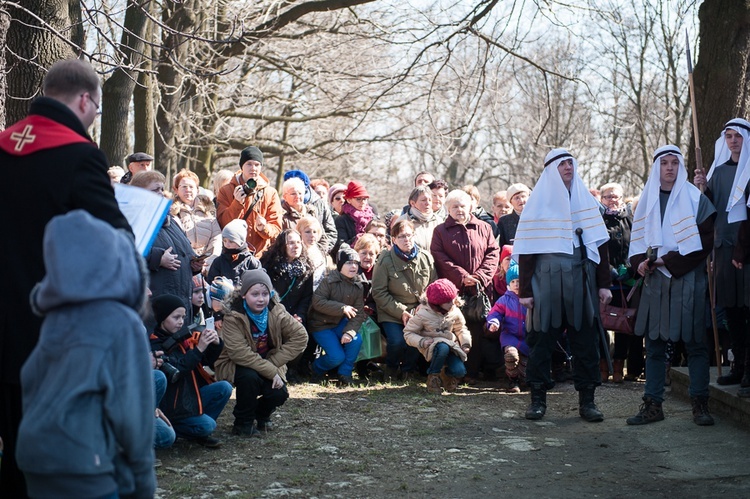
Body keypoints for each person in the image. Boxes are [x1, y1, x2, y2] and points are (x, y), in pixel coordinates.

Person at [0, 57, 132, 496]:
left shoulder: (3, 145)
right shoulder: (79, 156)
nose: (95, 117)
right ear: (83, 99)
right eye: (96, 107)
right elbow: (116, 242)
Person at [16, 210, 153, 498]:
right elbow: (133, 413)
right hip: (81, 463)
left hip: (35, 456)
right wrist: (143, 481)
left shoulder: (56, 317)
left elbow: (30, 380)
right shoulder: (121, 322)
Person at [514, 148, 612, 422]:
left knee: (585, 342)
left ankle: (588, 401)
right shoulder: (537, 205)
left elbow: (600, 247)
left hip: (582, 279)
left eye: (571, 162)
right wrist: (526, 291)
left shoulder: (587, 203)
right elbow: (527, 251)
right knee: (542, 342)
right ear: (551, 170)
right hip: (546, 280)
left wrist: (603, 284)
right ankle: (537, 400)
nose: (568, 167)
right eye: (562, 164)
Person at [625, 146, 716, 426]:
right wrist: (640, 262)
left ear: (680, 167)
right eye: (664, 163)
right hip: (655, 282)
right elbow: (637, 241)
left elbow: (705, 240)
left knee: (696, 344)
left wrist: (669, 260)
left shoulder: (694, 198)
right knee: (654, 345)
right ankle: (653, 405)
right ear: (656, 167)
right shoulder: (646, 200)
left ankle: (700, 404)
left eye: (674, 163)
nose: (669, 168)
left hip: (687, 279)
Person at [215, 269, 308, 436]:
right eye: (255, 294)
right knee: (249, 378)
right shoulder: (233, 316)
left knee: (278, 393)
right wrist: (270, 371)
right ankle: (242, 423)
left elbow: (300, 336)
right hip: (237, 363)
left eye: (265, 293)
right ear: (244, 295)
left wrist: (273, 364)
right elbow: (238, 352)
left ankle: (261, 414)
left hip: (268, 361)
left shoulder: (276, 310)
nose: (261, 299)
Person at [694, 118, 750, 387]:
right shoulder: (719, 171)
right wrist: (701, 188)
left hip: (747, 250)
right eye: (728, 136)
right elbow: (709, 210)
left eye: (737, 136)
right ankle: (738, 366)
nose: (733, 141)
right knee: (732, 311)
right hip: (723, 250)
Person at [431, 189, 500, 384]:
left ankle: (473, 372)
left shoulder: (484, 228)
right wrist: (462, 277)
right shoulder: (441, 231)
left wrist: (479, 277)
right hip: (454, 290)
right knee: (457, 329)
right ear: (448, 209)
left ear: (470, 206)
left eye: (463, 206)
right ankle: (454, 372)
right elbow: (439, 256)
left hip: (480, 290)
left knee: (478, 331)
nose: (459, 210)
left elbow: (493, 253)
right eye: (454, 206)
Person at [149, 294, 233, 447]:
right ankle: (185, 429)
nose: (181, 321)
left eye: (183, 317)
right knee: (207, 425)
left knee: (224, 388)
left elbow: (206, 362)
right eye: (176, 317)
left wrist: (215, 344)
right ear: (162, 318)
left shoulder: (182, 337)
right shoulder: (155, 344)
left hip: (188, 397)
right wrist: (199, 348)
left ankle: (199, 433)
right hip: (172, 405)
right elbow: (176, 372)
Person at [372, 220, 436, 380]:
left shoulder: (425, 258)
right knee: (397, 341)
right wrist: (402, 312)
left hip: (418, 310)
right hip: (392, 311)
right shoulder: (385, 260)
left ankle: (408, 370)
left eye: (409, 235)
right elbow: (379, 292)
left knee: (416, 338)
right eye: (401, 236)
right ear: (393, 239)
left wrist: (423, 307)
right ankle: (391, 369)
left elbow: (433, 287)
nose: (406, 239)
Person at [132, 171, 199, 315]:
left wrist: (194, 263)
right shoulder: (134, 221)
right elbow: (128, 253)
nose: (161, 193)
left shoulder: (170, 220)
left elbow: (184, 250)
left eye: (162, 189)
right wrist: (158, 258)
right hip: (156, 306)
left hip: (180, 302)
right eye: (155, 189)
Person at [600, 182, 641, 383]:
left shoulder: (631, 219)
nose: (612, 200)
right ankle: (603, 363)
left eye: (615, 196)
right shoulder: (598, 220)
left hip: (627, 280)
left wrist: (629, 268)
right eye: (608, 196)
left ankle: (618, 365)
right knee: (602, 322)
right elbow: (596, 250)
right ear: (602, 199)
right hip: (605, 280)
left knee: (624, 322)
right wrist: (609, 271)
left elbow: (637, 245)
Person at [307, 245, 366, 385]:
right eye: (349, 263)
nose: (353, 266)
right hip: (321, 325)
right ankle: (316, 368)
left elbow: (358, 314)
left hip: (338, 324)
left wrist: (350, 332)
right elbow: (318, 302)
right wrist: (341, 308)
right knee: (336, 356)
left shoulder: (358, 285)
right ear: (340, 265)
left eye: (356, 263)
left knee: (355, 340)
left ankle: (344, 374)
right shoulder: (329, 281)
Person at [403, 279, 471, 394]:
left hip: (450, 345)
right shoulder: (423, 313)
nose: (451, 303)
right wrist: (421, 341)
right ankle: (433, 376)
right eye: (447, 302)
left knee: (460, 371)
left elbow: (461, 328)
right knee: (442, 347)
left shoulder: (455, 311)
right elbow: (408, 333)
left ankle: (446, 374)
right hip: (432, 345)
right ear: (437, 304)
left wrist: (465, 343)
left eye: (452, 300)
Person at [217, 146, 282, 258]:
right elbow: (223, 224)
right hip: (233, 255)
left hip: (260, 256)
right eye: (249, 164)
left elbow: (276, 229)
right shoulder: (226, 190)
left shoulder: (270, 193)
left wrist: (264, 228)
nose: (253, 168)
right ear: (242, 166)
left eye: (257, 164)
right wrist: (236, 203)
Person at [486, 262, 528, 393]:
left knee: (525, 365)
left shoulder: (530, 299)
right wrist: (494, 323)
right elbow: (495, 313)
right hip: (510, 335)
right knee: (511, 356)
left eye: (519, 281)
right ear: (509, 284)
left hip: (528, 336)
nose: (516, 284)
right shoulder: (504, 300)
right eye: (513, 281)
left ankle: (523, 378)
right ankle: (513, 380)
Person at [172, 168, 222, 271]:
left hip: (207, 265)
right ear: (176, 190)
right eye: (184, 186)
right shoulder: (172, 213)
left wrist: (210, 259)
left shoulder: (208, 211)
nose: (188, 190)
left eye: (191, 186)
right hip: (182, 265)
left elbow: (216, 237)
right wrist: (190, 260)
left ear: (197, 190)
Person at [261, 229, 314, 325]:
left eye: (298, 242)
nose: (296, 246)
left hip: (294, 319)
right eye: (291, 243)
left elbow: (306, 297)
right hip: (271, 317)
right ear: (282, 245)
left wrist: (300, 315)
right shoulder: (269, 265)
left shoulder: (307, 268)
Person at [284, 170, 338, 253]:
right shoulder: (281, 215)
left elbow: (323, 238)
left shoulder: (311, 212)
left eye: (300, 193)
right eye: (293, 194)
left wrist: (317, 253)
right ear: (285, 196)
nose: (297, 196)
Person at [206, 219, 262, 286]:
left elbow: (258, 285)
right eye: (224, 241)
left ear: (241, 242)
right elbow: (211, 284)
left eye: (231, 241)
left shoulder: (251, 262)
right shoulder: (218, 262)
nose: (227, 244)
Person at [334, 180, 375, 253]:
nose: (362, 202)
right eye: (358, 199)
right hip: (351, 258)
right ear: (349, 200)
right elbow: (340, 245)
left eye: (364, 199)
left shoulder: (372, 217)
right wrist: (358, 239)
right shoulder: (341, 220)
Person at [397, 186, 440, 254]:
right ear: (413, 203)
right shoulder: (402, 222)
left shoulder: (439, 221)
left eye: (430, 200)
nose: (427, 203)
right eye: (423, 200)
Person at [296, 215, 332, 290]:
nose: (312, 235)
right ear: (299, 233)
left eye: (314, 232)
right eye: (307, 232)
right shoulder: (296, 252)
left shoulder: (321, 250)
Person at [496, 183, 530, 247]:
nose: (521, 200)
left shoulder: (538, 217)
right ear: (511, 202)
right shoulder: (504, 221)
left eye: (523, 196)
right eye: (517, 198)